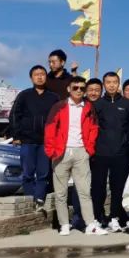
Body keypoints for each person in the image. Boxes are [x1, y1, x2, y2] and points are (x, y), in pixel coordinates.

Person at [44, 76, 106, 236]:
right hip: (61, 152)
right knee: (61, 193)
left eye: (82, 88)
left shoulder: (89, 107)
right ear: (69, 89)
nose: (79, 90)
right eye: (75, 87)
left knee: (84, 191)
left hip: (81, 152)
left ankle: (90, 225)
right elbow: (50, 128)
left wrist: (89, 149)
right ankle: (64, 224)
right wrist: (51, 151)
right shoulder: (59, 106)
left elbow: (94, 128)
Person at [91, 71, 129, 233]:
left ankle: (114, 218)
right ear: (104, 84)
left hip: (120, 153)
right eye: (108, 82)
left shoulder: (128, 104)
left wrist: (124, 142)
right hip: (100, 153)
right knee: (98, 187)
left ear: (119, 84)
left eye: (114, 82)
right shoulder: (97, 104)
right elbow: (92, 126)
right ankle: (98, 217)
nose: (111, 85)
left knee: (118, 187)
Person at [10, 65, 60, 211]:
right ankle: (29, 200)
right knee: (28, 173)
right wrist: (16, 135)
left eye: (42, 74)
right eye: (36, 74)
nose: (39, 77)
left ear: (46, 77)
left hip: (46, 141)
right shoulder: (24, 95)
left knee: (44, 173)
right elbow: (14, 115)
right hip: (27, 140)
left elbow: (59, 119)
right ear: (31, 78)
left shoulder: (53, 97)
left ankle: (39, 199)